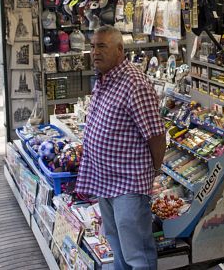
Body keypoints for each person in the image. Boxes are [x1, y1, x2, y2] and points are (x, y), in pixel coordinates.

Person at [75, 25, 165, 269]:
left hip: (128, 184)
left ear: (119, 50)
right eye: (93, 46)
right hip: (106, 180)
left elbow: (156, 136)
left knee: (137, 254)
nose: (95, 52)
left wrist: (153, 170)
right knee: (119, 249)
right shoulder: (105, 79)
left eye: (102, 46)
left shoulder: (135, 84)